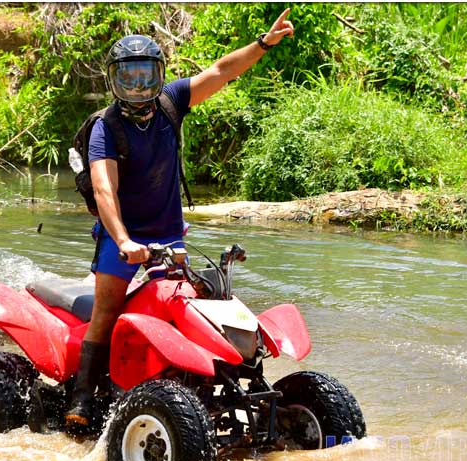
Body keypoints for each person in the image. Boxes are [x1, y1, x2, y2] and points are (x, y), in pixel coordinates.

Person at [65, 8, 295, 427]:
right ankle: (81, 400)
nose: (138, 86)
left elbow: (223, 70)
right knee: (106, 309)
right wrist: (122, 241)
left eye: (146, 76)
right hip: (125, 239)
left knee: (185, 302)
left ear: (159, 76)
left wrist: (263, 44)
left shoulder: (172, 102)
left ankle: (187, 384)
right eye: (128, 77)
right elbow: (104, 190)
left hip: (170, 234)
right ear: (114, 80)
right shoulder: (106, 127)